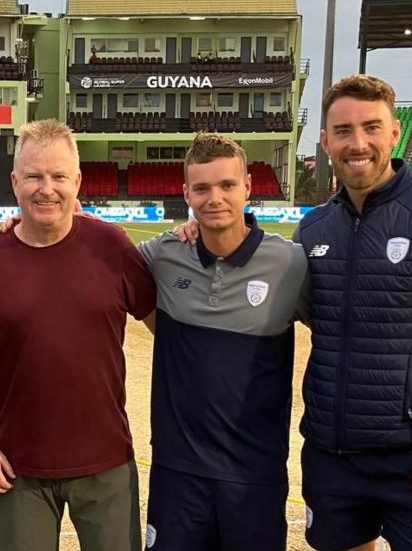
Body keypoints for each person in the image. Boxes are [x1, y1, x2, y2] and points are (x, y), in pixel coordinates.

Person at [296, 74, 412, 551]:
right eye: (342, 131)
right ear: (324, 141)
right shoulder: (312, 228)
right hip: (331, 454)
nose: (357, 143)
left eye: (371, 127)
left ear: (395, 133)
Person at [0, 119, 156, 551]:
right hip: (16, 471)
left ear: (77, 181)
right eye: (35, 176)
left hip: (107, 464)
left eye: (59, 176)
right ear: (15, 181)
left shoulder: (112, 247)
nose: (47, 188)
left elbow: (166, 330)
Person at [140, 133, 307, 550]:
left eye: (227, 185)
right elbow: (97, 251)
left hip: (254, 475)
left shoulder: (290, 264)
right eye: (202, 188)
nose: (215, 198)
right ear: (186, 194)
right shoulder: (164, 254)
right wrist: (26, 222)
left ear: (248, 186)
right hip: (178, 472)